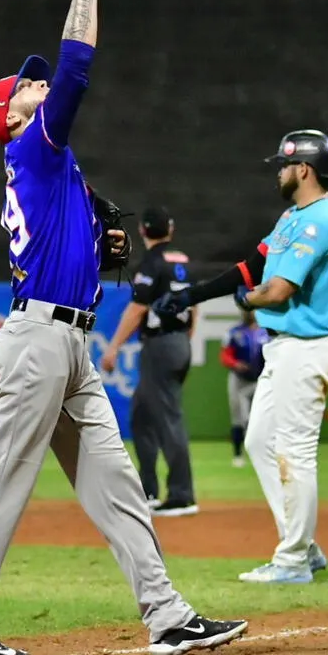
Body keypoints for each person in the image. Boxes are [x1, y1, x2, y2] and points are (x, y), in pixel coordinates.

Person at [0, 0, 247, 655]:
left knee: (118, 483)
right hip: (38, 341)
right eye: (23, 84)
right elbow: (75, 67)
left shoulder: (55, 166)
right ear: (8, 116)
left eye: (33, 79)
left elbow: (79, 222)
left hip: (69, 343)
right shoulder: (31, 145)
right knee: (1, 485)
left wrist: (94, 234)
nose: (37, 85)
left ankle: (166, 614)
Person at [153, 129, 328, 584]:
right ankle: (303, 545)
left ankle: (293, 559)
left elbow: (275, 291)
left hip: (308, 347)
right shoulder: (292, 217)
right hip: (285, 346)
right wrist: (191, 296)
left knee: (295, 453)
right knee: (260, 442)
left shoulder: (319, 221)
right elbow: (252, 268)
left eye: (283, 163)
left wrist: (247, 301)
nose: (278, 170)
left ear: (304, 169)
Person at [102, 206, 198, 516]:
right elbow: (194, 305)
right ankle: (147, 492)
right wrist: (185, 339)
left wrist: (113, 347)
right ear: (170, 229)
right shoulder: (183, 262)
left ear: (143, 231)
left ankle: (182, 495)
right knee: (143, 415)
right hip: (179, 341)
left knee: (168, 418)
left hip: (160, 344)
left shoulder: (153, 263)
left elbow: (137, 309)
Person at [220, 308, 268, 468]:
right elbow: (225, 355)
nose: (251, 313)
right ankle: (238, 454)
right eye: (248, 310)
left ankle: (264, 454)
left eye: (253, 310)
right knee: (239, 418)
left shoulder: (266, 332)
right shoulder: (234, 332)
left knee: (264, 418)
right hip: (239, 380)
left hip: (261, 379)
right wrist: (235, 364)